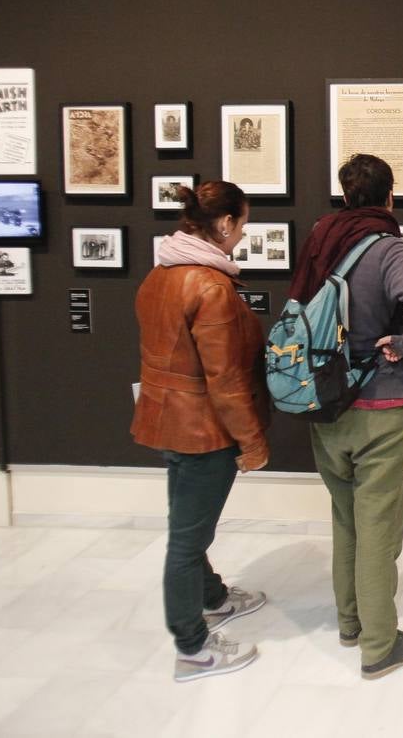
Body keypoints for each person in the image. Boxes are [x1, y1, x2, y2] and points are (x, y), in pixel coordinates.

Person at [291, 153, 403, 679]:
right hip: (381, 403)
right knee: (378, 523)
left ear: (344, 193)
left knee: (345, 517)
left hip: (325, 403)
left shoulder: (320, 240)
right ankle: (380, 646)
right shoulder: (387, 248)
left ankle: (351, 622)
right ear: (389, 197)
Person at [131, 180, 271, 682]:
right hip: (204, 429)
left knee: (189, 525)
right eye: (243, 224)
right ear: (226, 223)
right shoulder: (210, 285)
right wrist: (252, 442)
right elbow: (225, 379)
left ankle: (212, 598)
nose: (242, 235)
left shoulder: (162, 274)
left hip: (170, 419)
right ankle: (193, 649)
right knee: (187, 540)